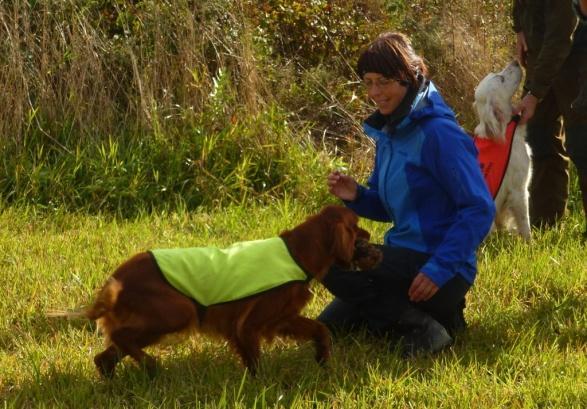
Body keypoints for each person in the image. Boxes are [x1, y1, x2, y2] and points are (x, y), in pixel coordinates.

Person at [316, 32, 495, 357]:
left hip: (442, 269)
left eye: (383, 82)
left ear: (409, 77)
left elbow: (479, 209)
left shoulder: (439, 134)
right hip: (405, 260)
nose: (374, 93)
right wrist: (357, 195)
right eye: (368, 82)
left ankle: (423, 326)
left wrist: (438, 269)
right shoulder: (392, 132)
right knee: (331, 327)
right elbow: (391, 207)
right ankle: (442, 317)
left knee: (328, 254)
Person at [513, 0, 587, 237]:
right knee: (538, 138)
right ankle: (545, 224)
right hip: (542, 56)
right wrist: (519, 28)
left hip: (577, 60)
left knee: (583, 145)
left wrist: (534, 94)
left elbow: (561, 36)